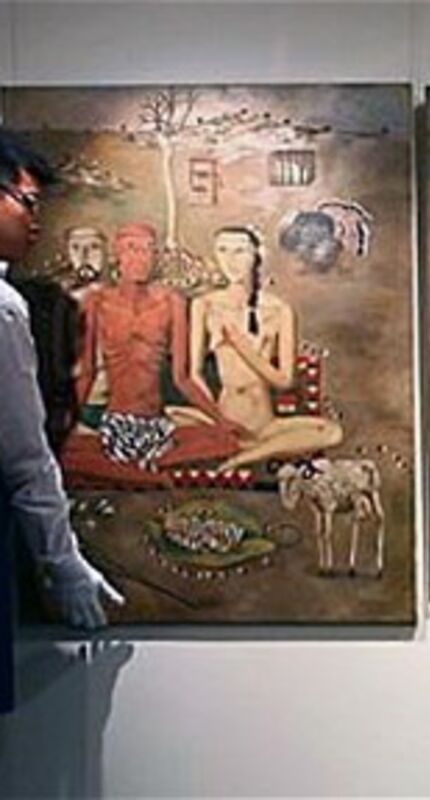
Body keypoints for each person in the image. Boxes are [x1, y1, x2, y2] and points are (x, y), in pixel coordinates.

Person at [0, 129, 124, 662]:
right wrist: (64, 563)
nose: (36, 221)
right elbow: (24, 458)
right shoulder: (3, 307)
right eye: (27, 202)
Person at [62, 222, 241, 486]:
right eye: (132, 249)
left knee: (227, 442)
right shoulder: (97, 303)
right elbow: (86, 373)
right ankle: (145, 473)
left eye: (148, 250)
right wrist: (64, 425)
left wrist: (221, 421)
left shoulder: (172, 302)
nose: (141, 257)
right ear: (117, 255)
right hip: (117, 423)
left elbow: (182, 378)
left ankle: (144, 470)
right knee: (68, 453)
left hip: (158, 423)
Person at [186, 226, 343, 472]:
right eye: (222, 250)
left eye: (240, 251)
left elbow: (285, 381)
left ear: (256, 255)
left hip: (265, 423)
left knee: (332, 432)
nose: (230, 260)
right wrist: (218, 420)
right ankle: (243, 445)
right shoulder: (204, 305)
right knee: (173, 418)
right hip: (224, 417)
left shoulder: (280, 310)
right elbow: (194, 374)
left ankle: (244, 455)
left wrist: (242, 347)